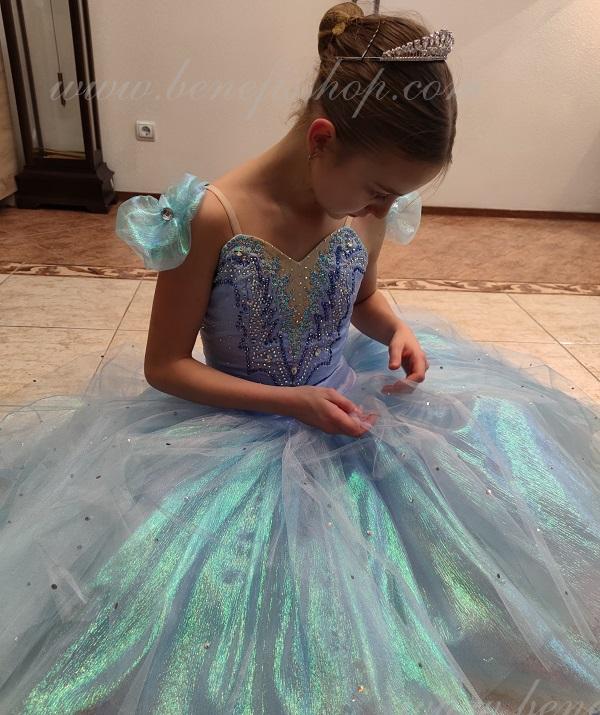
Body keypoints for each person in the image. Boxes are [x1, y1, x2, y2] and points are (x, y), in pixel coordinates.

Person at [1, 4, 599, 714]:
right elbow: (165, 365)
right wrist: (291, 402)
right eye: (379, 191)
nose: (381, 210)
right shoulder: (215, 215)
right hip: (236, 424)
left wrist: (395, 327)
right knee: (237, 602)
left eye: (395, 198)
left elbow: (362, 296)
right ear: (322, 140)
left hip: (344, 401)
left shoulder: (362, 209)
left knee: (475, 482)